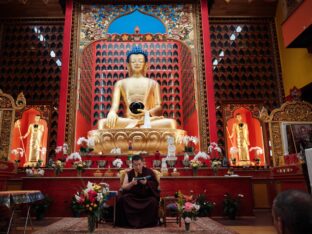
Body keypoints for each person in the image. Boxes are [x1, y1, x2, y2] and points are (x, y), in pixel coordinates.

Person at [97, 46, 177, 129]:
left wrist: (147, 113)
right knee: (102, 123)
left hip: (148, 120)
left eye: (140, 61)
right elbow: (114, 106)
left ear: (145, 64)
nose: (137, 63)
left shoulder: (153, 83)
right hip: (128, 120)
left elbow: (159, 107)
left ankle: (140, 126)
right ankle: (138, 125)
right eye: (133, 61)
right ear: (128, 64)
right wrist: (112, 113)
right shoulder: (120, 83)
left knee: (171, 123)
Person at [115, 154, 160, 228]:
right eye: (135, 165)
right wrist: (131, 184)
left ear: (143, 163)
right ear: (132, 164)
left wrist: (146, 183)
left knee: (153, 201)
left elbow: (155, 184)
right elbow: (123, 186)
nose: (138, 167)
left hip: (146, 197)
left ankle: (147, 223)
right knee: (123, 200)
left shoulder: (149, 172)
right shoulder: (129, 173)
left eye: (139, 164)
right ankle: (128, 223)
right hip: (133, 197)